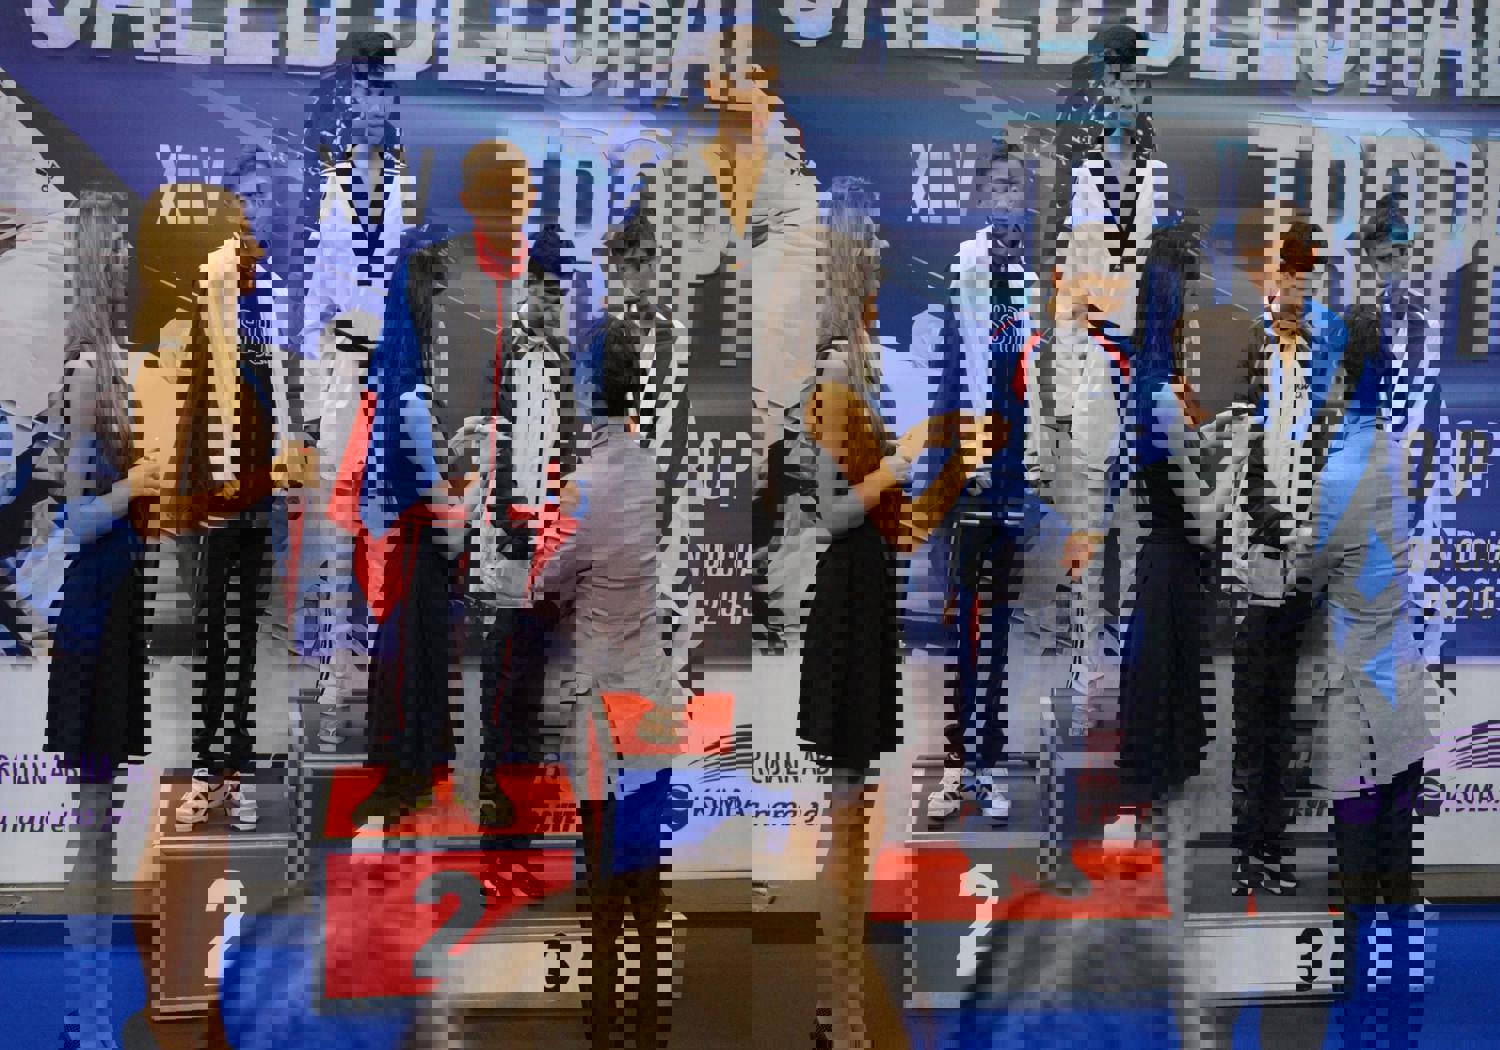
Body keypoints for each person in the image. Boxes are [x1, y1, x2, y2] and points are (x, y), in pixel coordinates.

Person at [786, 188, 981, 1050]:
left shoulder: (856, 373)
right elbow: (836, 514)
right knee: (845, 820)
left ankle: (839, 1001)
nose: (878, 273)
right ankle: (840, 1007)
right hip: (842, 606)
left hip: (867, 603)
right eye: (867, 259)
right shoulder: (832, 381)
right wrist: (905, 459)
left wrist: (952, 464)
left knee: (856, 821)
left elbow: (898, 528)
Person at [534, 317, 680, 1050]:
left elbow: (543, 585)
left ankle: (601, 1024)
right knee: (646, 870)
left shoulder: (581, 488)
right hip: (650, 690)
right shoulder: (654, 474)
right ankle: (649, 1020)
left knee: (599, 874)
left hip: (596, 699)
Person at [1319, 196, 1441, 1048]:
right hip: (1397, 675)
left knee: (1359, 830)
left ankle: (1356, 977)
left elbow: (1294, 571)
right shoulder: (1396, 454)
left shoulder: (1339, 468)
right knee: (1396, 837)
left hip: (1357, 685)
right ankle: (1392, 983)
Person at [40, 192, 161, 1050]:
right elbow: (75, 520)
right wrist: (133, 491)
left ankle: (89, 1007)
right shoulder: (86, 374)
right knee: (92, 824)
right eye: (114, 252)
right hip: (92, 608)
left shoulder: (122, 368)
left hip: (120, 606)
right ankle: (84, 1013)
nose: (126, 266)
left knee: (107, 820)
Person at [1226, 218, 1348, 895]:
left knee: (1298, 707)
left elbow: (1332, 447)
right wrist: (1266, 528)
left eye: (1302, 273)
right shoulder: (1254, 348)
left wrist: (1313, 532)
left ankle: (1278, 845)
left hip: (1311, 557)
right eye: (1282, 271)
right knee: (1256, 706)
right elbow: (1241, 450)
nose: (1290, 285)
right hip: (1259, 556)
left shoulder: (1327, 355)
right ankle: (1251, 848)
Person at [927, 141, 1042, 823]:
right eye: (997, 186)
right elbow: (946, 384)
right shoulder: (961, 272)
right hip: (966, 481)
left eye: (1016, 188)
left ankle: (991, 764)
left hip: (1012, 484)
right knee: (959, 633)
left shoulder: (1031, 289)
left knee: (997, 633)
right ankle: (955, 766)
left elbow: (1036, 397)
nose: (1007, 199)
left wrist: (1028, 483)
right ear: (980, 196)